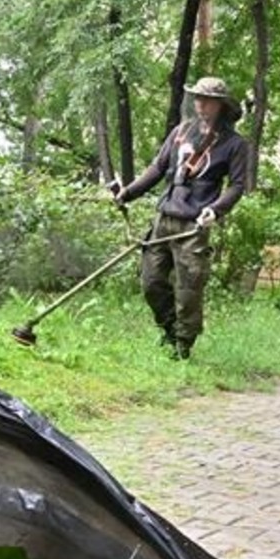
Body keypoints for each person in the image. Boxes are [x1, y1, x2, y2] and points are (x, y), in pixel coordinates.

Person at [108, 77, 253, 360]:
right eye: (197, 98)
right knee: (151, 282)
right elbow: (157, 169)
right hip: (164, 218)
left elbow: (237, 185)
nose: (201, 104)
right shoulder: (180, 132)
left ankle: (183, 345)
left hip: (194, 225)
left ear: (221, 105)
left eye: (207, 99)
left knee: (189, 288)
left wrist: (216, 210)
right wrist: (127, 193)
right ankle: (170, 331)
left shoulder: (235, 144)